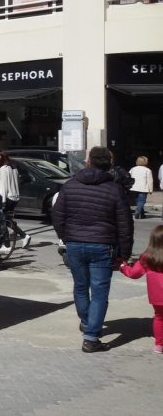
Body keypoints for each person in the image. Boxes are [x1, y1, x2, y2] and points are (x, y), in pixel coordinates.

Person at [52, 146, 133, 353]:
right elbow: (125, 224)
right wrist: (125, 253)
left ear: (88, 161)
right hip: (102, 245)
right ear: (109, 164)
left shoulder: (70, 186)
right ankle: (90, 337)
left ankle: (88, 321)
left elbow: (57, 215)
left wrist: (65, 237)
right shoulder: (114, 189)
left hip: (75, 244)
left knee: (80, 286)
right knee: (99, 292)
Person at [119, 225, 163, 354]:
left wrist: (123, 267)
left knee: (160, 318)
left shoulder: (147, 258)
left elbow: (134, 273)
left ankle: (159, 345)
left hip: (157, 297)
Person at [0, 151, 31, 251]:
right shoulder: (13, 168)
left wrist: (2, 201)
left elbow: (3, 186)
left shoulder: (3, 169)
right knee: (7, 220)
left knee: (2, 221)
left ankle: (6, 245)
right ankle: (24, 236)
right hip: (15, 197)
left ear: (1, 157)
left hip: (7, 198)